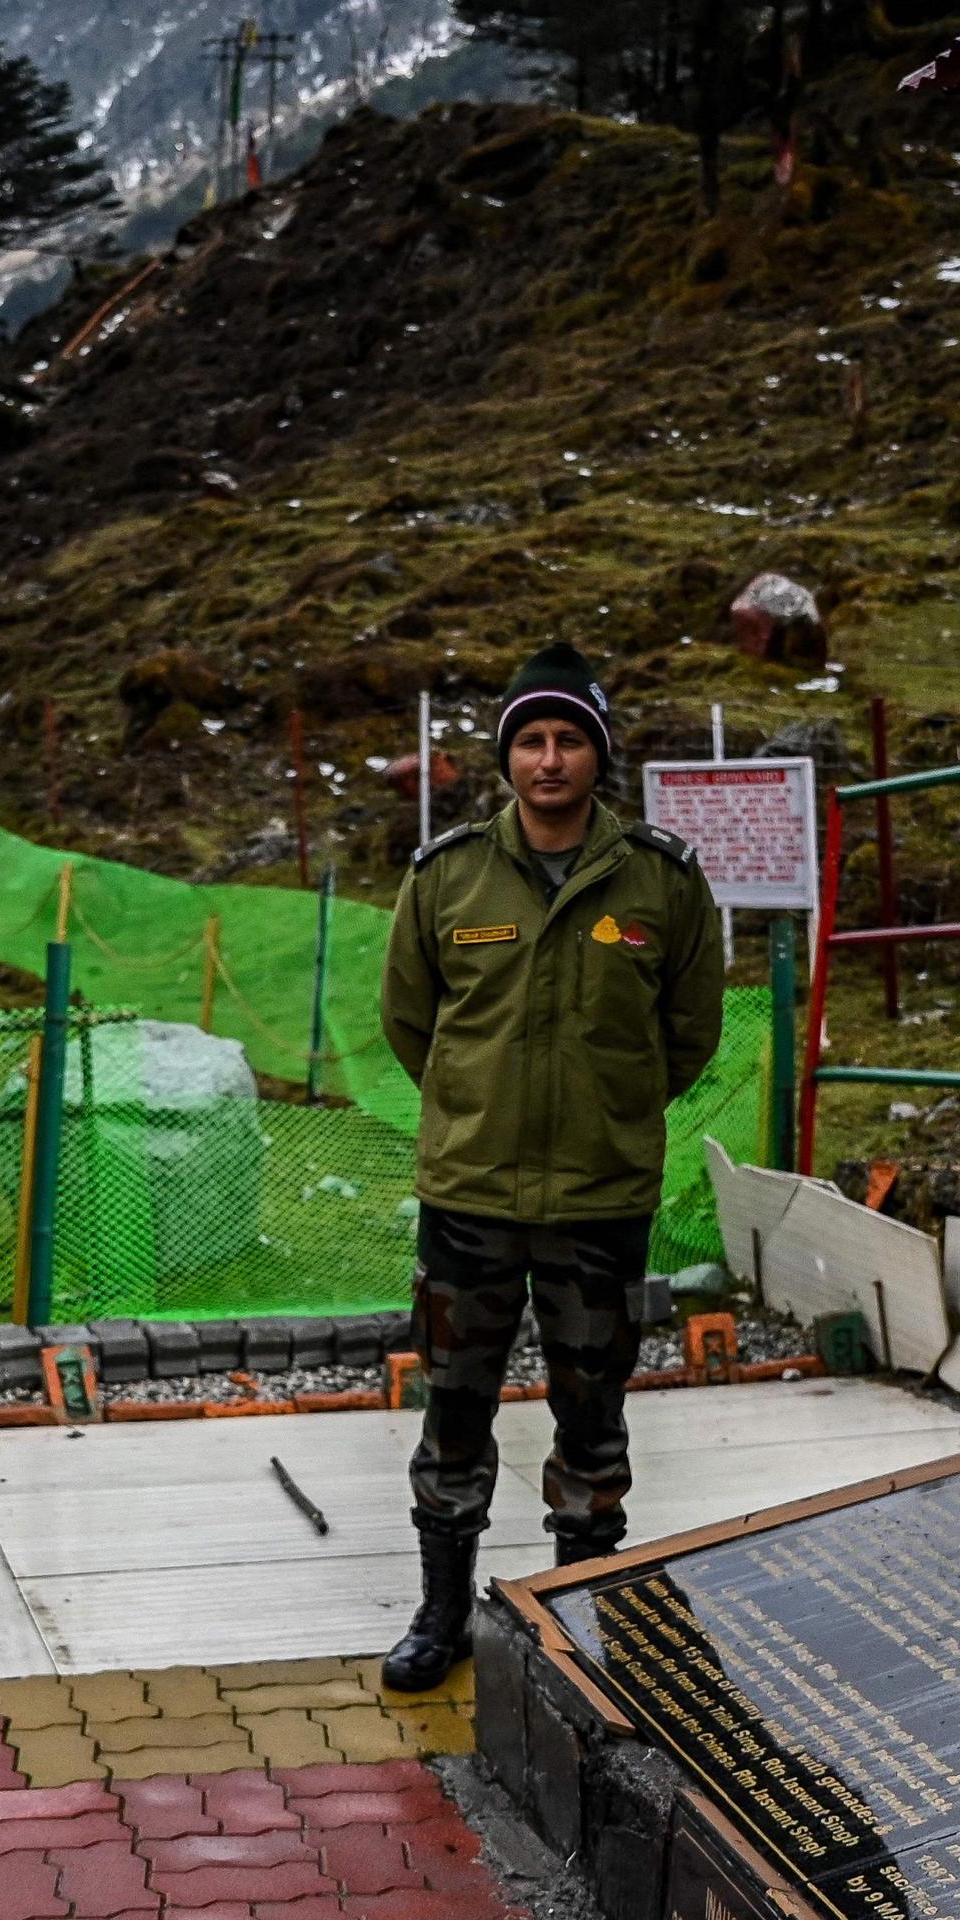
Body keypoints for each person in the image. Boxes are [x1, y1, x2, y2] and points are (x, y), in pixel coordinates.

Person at [376, 641, 725, 1692]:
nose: (549, 759)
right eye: (530, 739)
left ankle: (585, 1615)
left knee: (593, 1413)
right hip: (470, 1199)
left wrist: (606, 1113)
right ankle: (443, 1615)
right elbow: (410, 1023)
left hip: (598, 1202)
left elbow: (691, 1031)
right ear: (506, 759)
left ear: (598, 755)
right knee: (455, 1407)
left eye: (569, 738)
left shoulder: (662, 883)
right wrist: (478, 1110)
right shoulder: (449, 877)